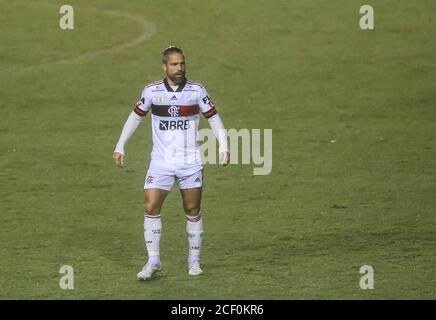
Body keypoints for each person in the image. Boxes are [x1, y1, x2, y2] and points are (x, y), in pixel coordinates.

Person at [112, 46, 230, 280]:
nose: (180, 68)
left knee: (192, 210)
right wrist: (120, 145)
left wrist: (224, 145)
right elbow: (136, 116)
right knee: (150, 206)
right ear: (164, 67)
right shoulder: (152, 91)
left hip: (190, 163)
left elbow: (213, 117)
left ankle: (194, 261)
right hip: (161, 162)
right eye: (174, 64)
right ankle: (153, 261)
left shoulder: (196, 91)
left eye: (182, 63)